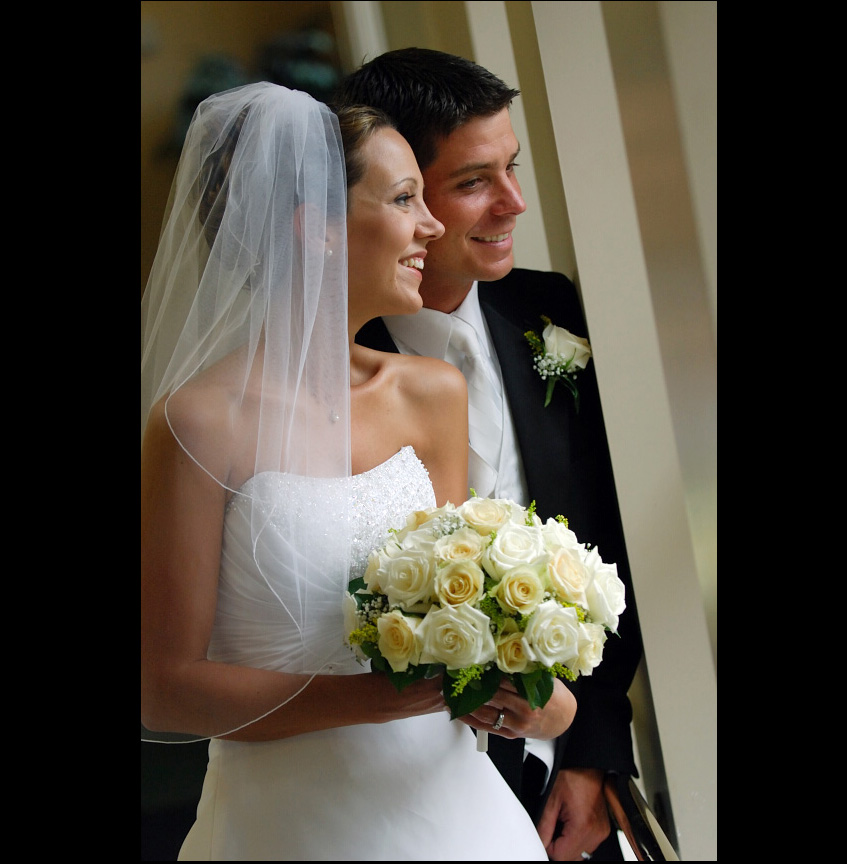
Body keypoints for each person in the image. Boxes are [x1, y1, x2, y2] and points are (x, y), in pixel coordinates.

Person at [141, 81, 562, 860]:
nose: (430, 225)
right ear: (320, 231)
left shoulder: (432, 394)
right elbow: (165, 686)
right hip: (290, 826)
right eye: (405, 198)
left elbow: (457, 604)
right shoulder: (195, 423)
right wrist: (381, 698)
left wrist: (537, 691)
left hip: (457, 816)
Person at [333, 48, 644, 861]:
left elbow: (610, 538)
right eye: (474, 181)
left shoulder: (549, 311)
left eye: (512, 168)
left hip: (564, 778)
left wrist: (593, 748)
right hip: (396, 788)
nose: (514, 203)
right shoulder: (325, 364)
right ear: (402, 192)